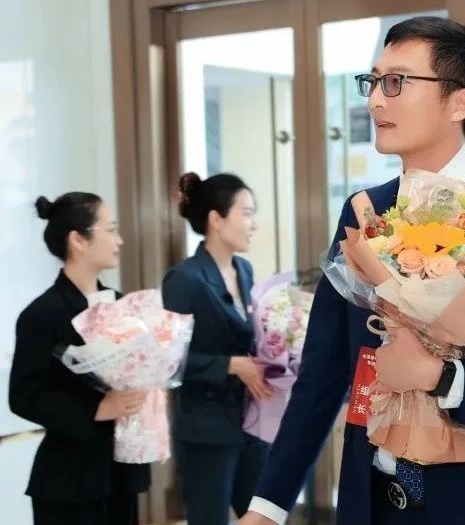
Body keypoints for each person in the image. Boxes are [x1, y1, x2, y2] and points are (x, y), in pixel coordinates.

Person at [239, 16, 465, 525]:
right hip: (371, 498)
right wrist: (267, 507)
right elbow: (323, 373)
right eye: (374, 82)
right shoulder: (364, 212)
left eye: (396, 82)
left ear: (458, 102)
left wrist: (442, 377)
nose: (377, 100)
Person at [9, 192, 150, 525]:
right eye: (111, 229)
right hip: (69, 481)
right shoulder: (41, 314)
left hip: (120, 475)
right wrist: (97, 409)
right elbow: (24, 397)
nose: (119, 239)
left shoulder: (121, 305)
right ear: (78, 240)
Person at [162, 172, 273, 525]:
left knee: (265, 516)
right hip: (206, 429)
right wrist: (230, 365)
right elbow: (167, 362)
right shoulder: (184, 279)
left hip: (251, 421)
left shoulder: (244, 269)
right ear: (216, 219)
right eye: (247, 213)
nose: (253, 224)